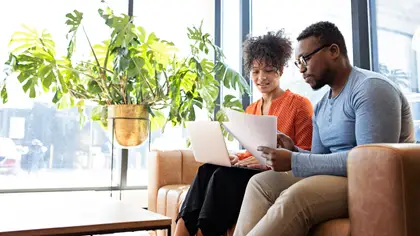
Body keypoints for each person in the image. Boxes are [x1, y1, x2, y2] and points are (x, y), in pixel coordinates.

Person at [233, 21, 415, 236]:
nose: (301, 69)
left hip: (370, 182)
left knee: (296, 196)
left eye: (305, 59)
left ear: (333, 51)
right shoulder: (321, 105)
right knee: (260, 184)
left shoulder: (370, 89)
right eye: (297, 62)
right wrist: (294, 151)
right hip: (339, 177)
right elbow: (319, 158)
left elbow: (370, 164)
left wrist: (293, 160)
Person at [174, 30, 314, 236]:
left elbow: (308, 153)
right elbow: (251, 150)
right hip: (253, 171)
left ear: (281, 70)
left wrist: (265, 163)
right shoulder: (252, 109)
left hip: (278, 175)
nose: (261, 78)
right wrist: (235, 157)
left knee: (223, 178)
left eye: (268, 70)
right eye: (255, 71)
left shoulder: (299, 105)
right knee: (207, 170)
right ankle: (180, 232)